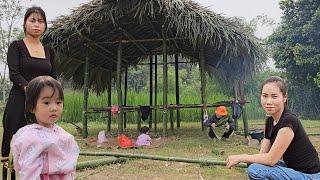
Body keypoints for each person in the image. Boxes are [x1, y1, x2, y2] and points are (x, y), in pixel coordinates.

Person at [226, 76, 320, 179]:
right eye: (265, 96)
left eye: (274, 96)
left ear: (284, 98)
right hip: (293, 170)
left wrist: (241, 157)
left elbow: (271, 159)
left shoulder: (289, 120)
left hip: (310, 176)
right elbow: (263, 154)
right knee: (255, 165)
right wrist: (249, 160)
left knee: (255, 170)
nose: (268, 101)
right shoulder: (270, 120)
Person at [1, 6, 57, 166]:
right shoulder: (16, 46)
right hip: (20, 100)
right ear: (25, 23)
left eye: (41, 21)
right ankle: (9, 167)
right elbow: (14, 74)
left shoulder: (49, 51)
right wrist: (33, 91)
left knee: (40, 143)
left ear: (45, 26)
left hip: (42, 104)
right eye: (32, 20)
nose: (37, 25)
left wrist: (48, 97)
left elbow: (53, 77)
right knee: (15, 138)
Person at [11, 76, 79, 179]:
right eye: (47, 103)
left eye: (58, 102)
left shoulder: (61, 133)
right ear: (32, 107)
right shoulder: (29, 137)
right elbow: (28, 170)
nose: (54, 108)